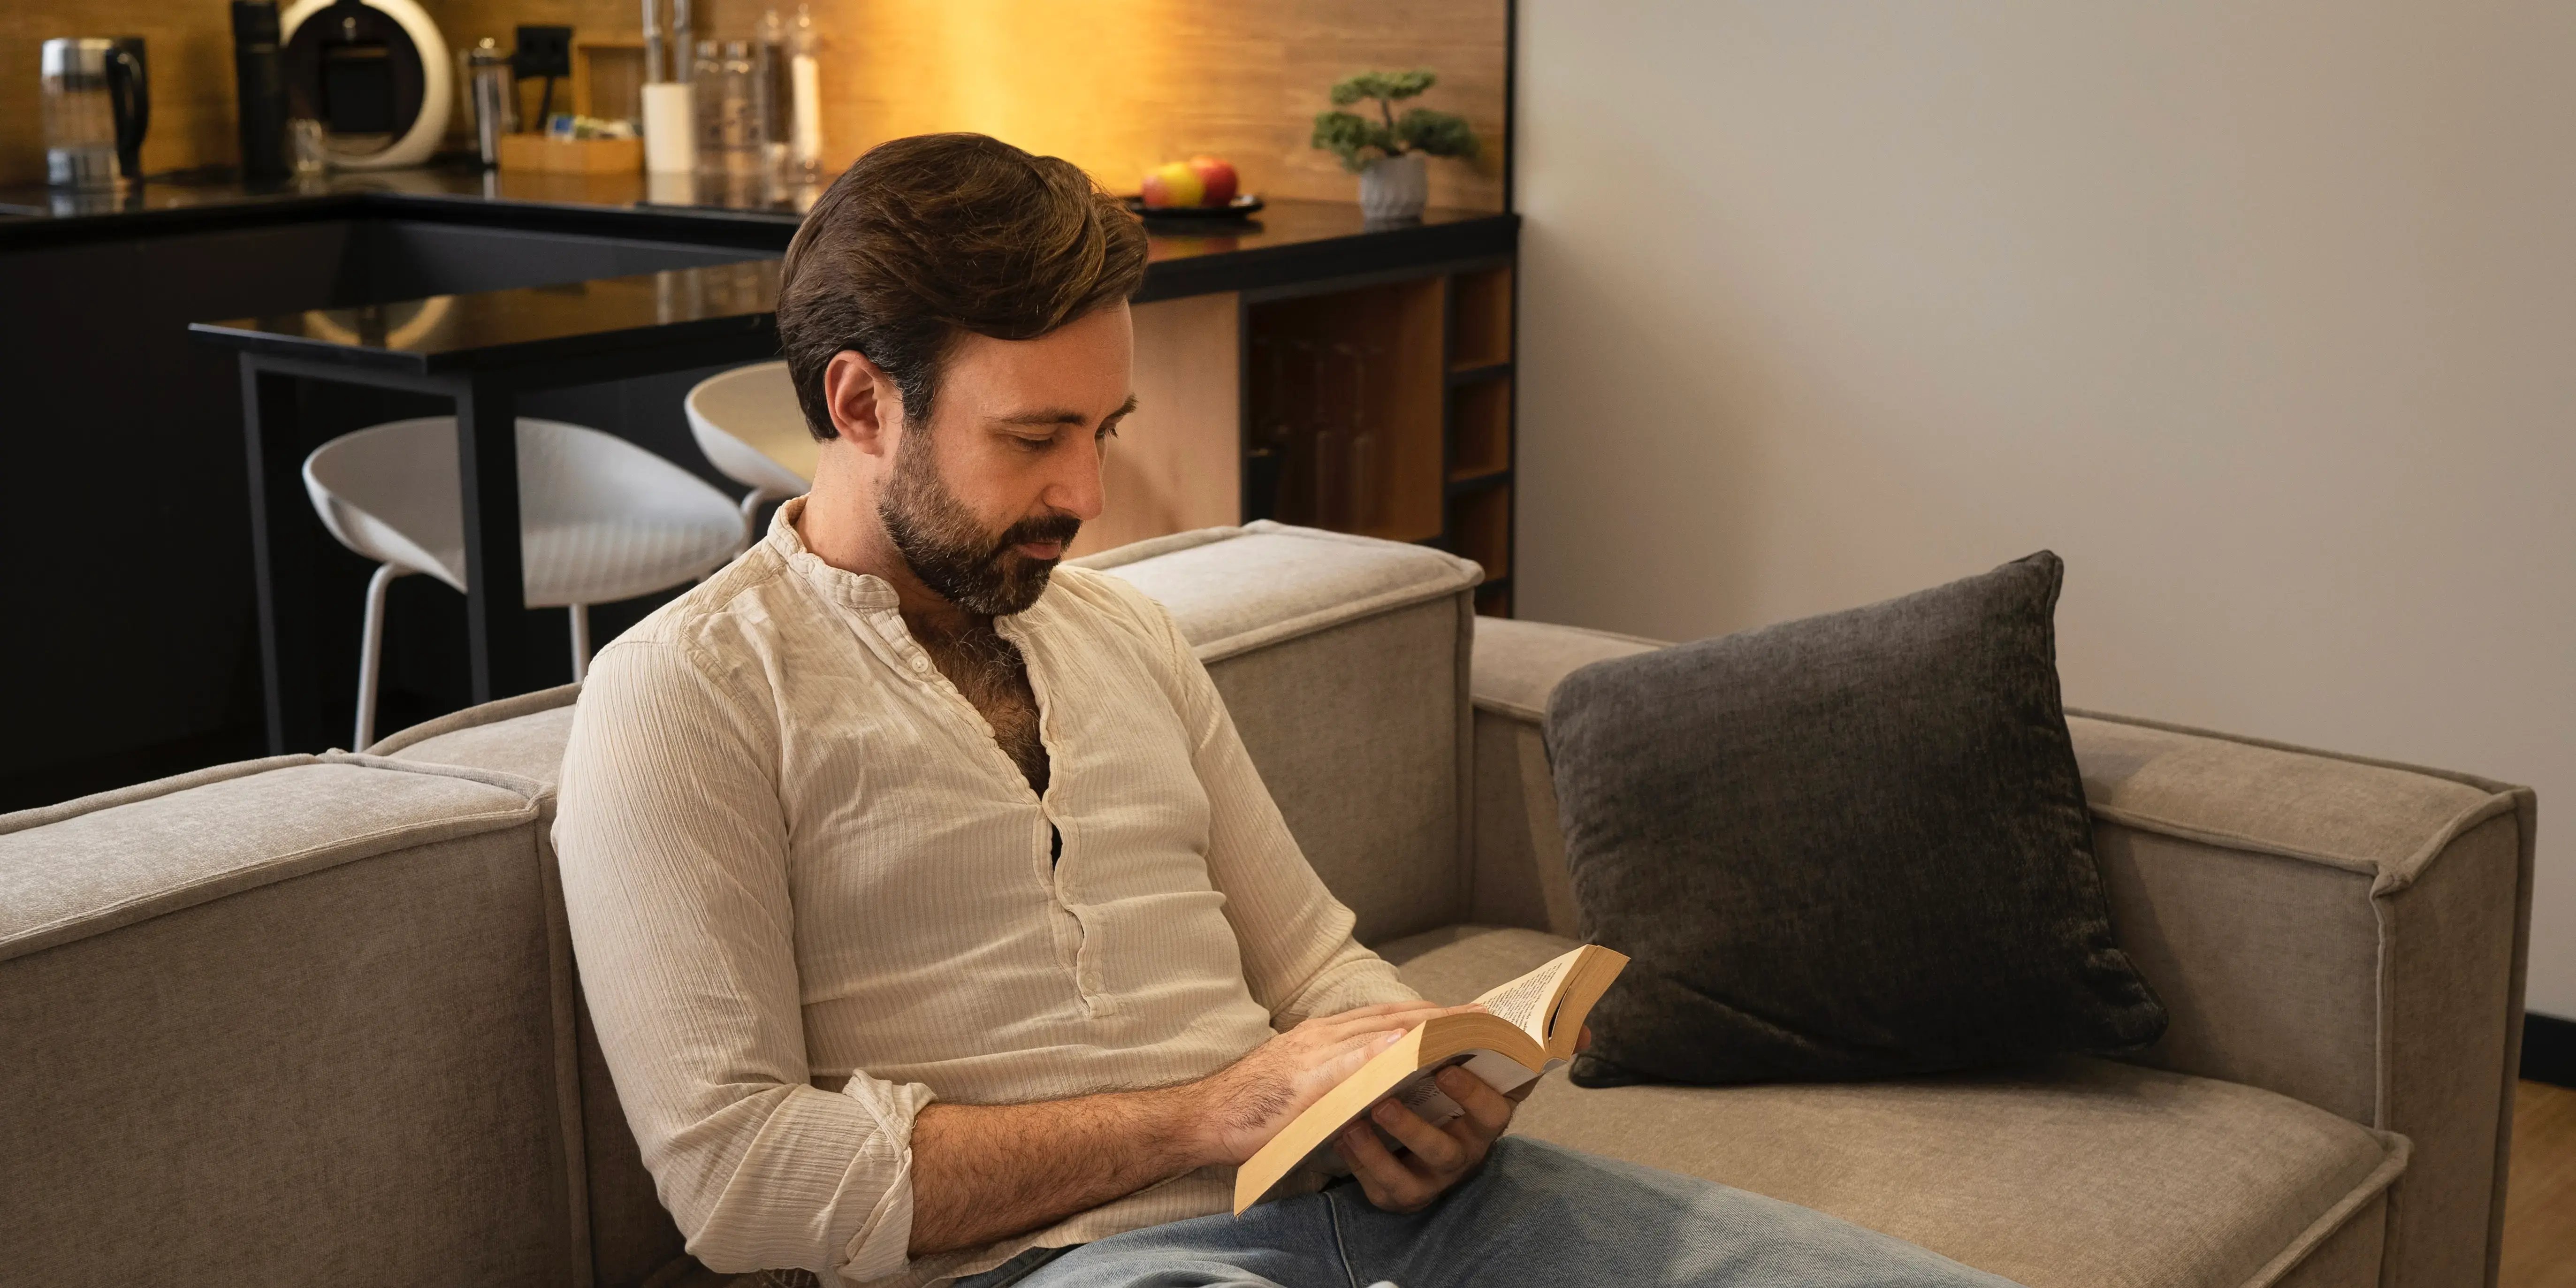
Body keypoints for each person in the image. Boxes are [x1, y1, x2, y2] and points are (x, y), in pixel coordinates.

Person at [553, 132, 2012, 1288]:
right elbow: (741, 1182)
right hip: (1061, 1268)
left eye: (1103, 428)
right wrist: (1205, 1116)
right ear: (863, 404)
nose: (1088, 494)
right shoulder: (687, 697)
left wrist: (1414, 1086)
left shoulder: (1124, 637)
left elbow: (1317, 963)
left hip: (1380, 1215)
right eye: (1033, 436)